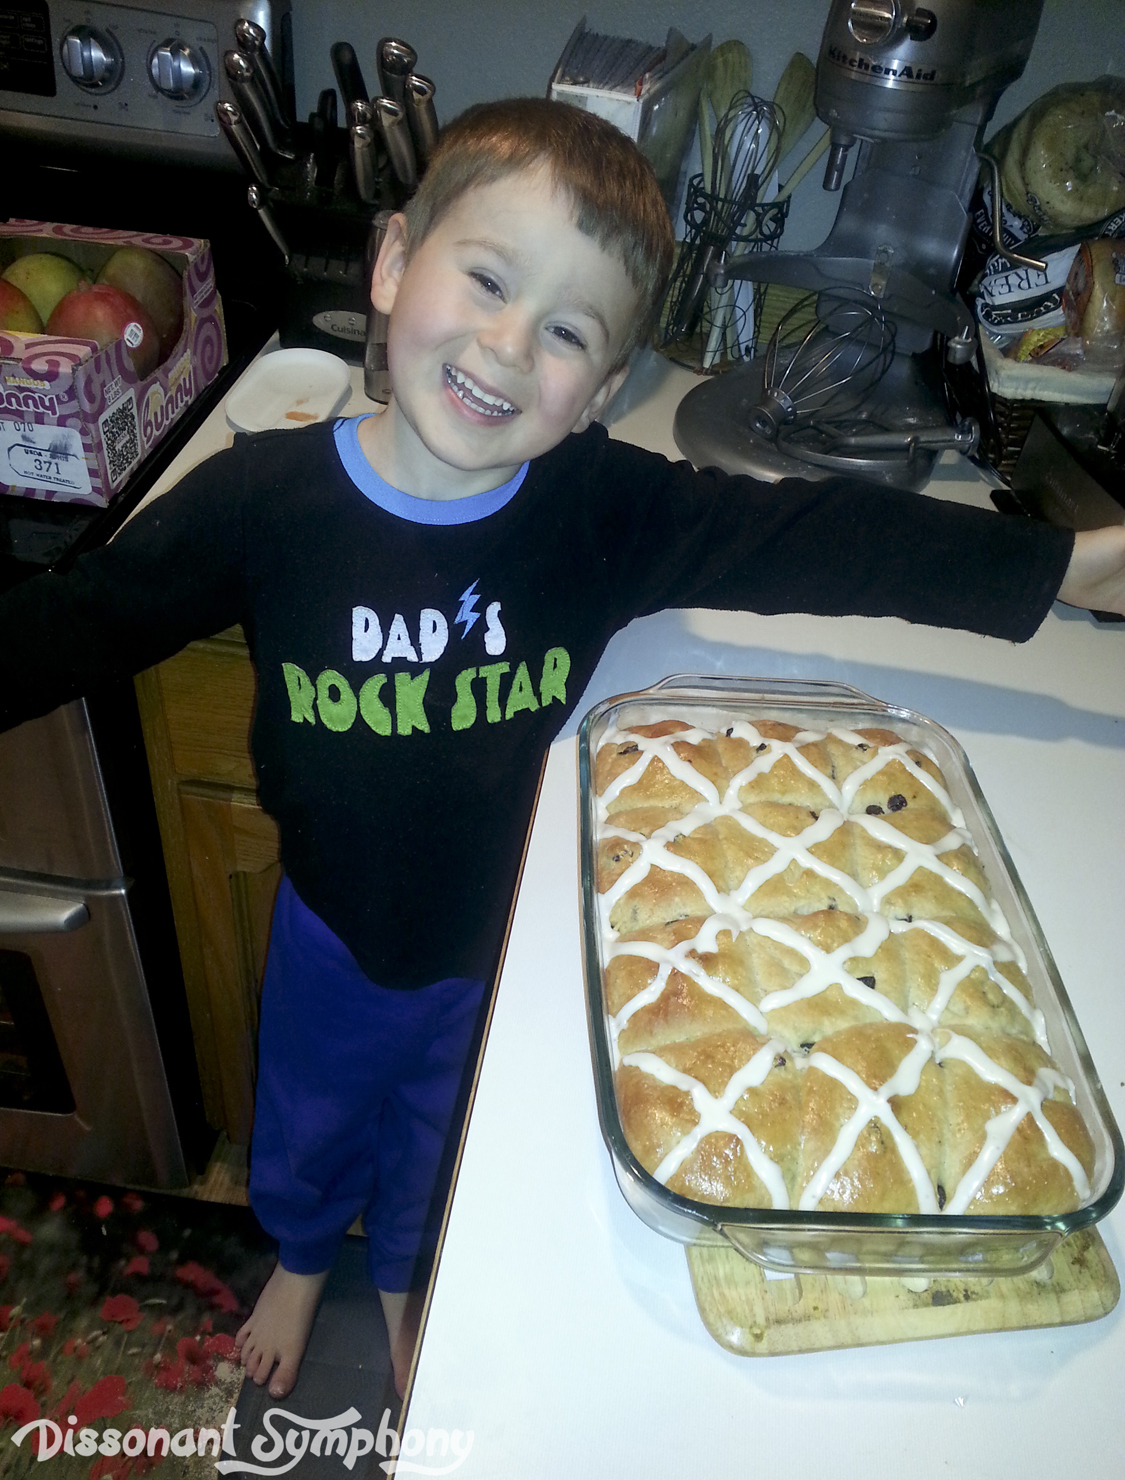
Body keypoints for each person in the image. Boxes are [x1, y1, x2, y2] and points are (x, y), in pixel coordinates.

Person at [2, 98, 1122, 1404]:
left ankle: (406, 1276)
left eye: (567, 332)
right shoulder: (264, 501)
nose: (506, 345)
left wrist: (1058, 567)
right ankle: (302, 1256)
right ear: (391, 261)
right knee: (306, 1118)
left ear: (601, 390)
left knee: (442, 1143)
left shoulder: (599, 511)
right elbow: (83, 619)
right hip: (330, 928)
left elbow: (818, 537)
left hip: (505, 947)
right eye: (486, 279)